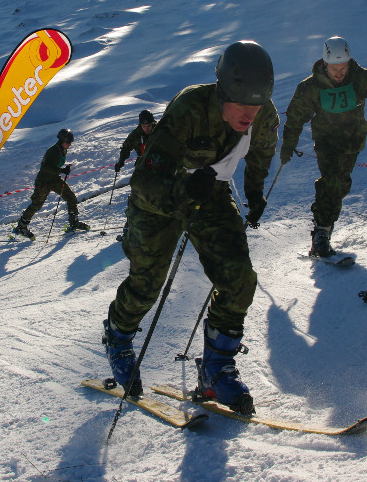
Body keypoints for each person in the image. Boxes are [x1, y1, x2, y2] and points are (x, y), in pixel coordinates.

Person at [102, 40, 278, 415]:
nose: (250, 114)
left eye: (257, 105)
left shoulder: (263, 114)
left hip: (211, 194)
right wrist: (183, 189)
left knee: (238, 278)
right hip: (159, 202)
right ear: (223, 92)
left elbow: (262, 152)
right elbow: (144, 181)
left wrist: (254, 192)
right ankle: (118, 336)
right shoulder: (190, 107)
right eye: (242, 104)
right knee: (146, 285)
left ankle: (216, 368)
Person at [280, 37, 367, 257]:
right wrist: (288, 143)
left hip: (353, 141)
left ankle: (325, 224)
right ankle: (321, 233)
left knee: (341, 184)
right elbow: (295, 117)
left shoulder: (360, 78)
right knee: (331, 182)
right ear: (325, 64)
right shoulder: (311, 87)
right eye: (334, 68)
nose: (339, 73)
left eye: (343, 68)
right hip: (326, 141)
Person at [12, 128, 89, 240]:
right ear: (62, 140)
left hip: (54, 179)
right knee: (37, 204)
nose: (70, 144)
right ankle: (21, 226)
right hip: (43, 181)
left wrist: (64, 169)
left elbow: (55, 165)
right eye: (68, 142)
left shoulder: (63, 149)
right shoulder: (53, 151)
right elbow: (44, 167)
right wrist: (61, 170)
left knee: (70, 197)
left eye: (70, 142)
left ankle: (74, 222)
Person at [113, 109, 157, 241]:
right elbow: (126, 147)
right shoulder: (136, 134)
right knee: (136, 195)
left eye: (149, 125)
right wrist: (121, 162)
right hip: (142, 168)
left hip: (160, 166)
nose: (147, 128)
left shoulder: (160, 130)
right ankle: (130, 225)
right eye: (144, 126)